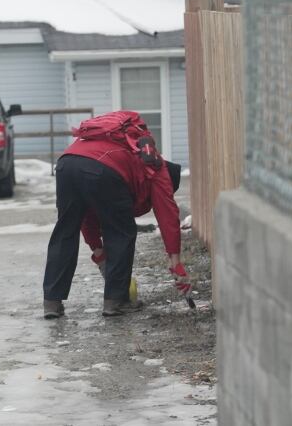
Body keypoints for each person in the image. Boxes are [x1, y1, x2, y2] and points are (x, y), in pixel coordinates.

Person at [42, 117, 187, 318]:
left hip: (68, 163)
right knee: (121, 232)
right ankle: (115, 302)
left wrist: (99, 251)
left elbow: (86, 215)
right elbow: (168, 216)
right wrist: (175, 259)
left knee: (65, 231)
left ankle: (51, 302)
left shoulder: (136, 152)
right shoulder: (158, 168)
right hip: (105, 168)